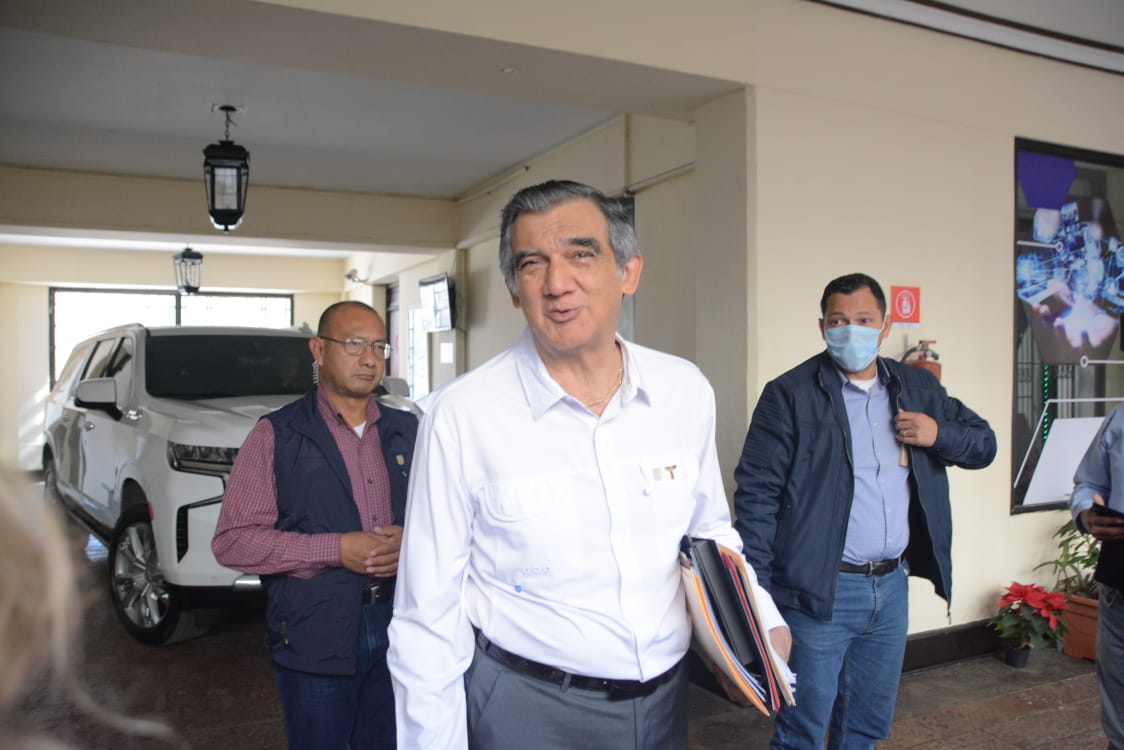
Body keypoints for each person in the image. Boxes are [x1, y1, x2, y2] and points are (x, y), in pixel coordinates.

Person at [387, 180, 790, 750]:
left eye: (580, 254)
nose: (557, 283)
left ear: (628, 272)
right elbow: (427, 611)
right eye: (532, 263)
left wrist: (758, 623)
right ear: (514, 290)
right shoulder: (461, 415)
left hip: (665, 703)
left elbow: (708, 531)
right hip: (526, 706)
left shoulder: (684, 391)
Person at [734, 272, 997, 750]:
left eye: (863, 319)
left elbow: (985, 445)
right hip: (818, 593)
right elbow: (757, 497)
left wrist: (939, 434)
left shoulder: (916, 387)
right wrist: (759, 597)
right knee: (801, 730)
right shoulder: (790, 394)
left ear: (884, 325)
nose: (850, 331)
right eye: (838, 321)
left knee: (866, 726)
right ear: (822, 327)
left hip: (891, 588)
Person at [212, 301, 417, 750]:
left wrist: (413, 541)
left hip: (401, 625)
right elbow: (233, 542)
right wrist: (335, 549)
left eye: (379, 347)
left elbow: (444, 521)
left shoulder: (409, 430)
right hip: (315, 631)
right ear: (318, 350)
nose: (369, 359)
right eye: (355, 344)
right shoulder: (277, 435)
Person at [1071, 404, 1124, 750]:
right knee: (1119, 715)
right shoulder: (1121, 418)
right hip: (1119, 583)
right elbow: (1089, 482)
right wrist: (1086, 514)